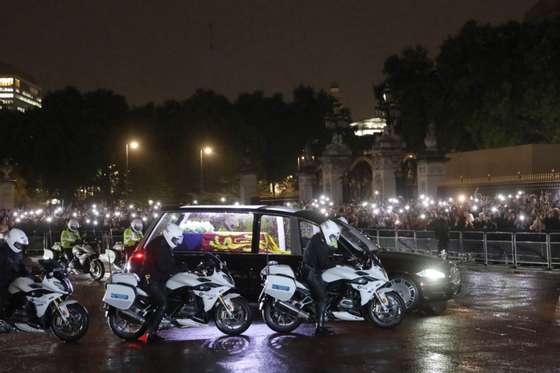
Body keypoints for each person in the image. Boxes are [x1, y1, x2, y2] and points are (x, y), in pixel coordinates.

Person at [141, 223, 184, 343]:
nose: (177, 242)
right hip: (150, 278)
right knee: (162, 303)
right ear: (170, 236)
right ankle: (151, 334)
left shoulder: (163, 243)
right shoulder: (160, 246)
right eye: (176, 239)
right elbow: (164, 266)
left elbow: (169, 262)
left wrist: (181, 266)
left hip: (158, 276)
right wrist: (180, 269)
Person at [302, 220, 339, 335]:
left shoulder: (318, 238)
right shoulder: (320, 243)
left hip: (310, 269)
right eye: (333, 235)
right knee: (322, 299)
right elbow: (324, 263)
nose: (334, 238)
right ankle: (320, 328)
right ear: (328, 232)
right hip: (311, 273)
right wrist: (339, 263)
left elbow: (332, 248)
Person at [0, 228, 30, 324]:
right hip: (2, 281)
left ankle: (15, 314)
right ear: (11, 241)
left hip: (10, 279)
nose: (20, 247)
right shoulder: (2, 252)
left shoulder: (17, 253)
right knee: (2, 297)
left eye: (22, 246)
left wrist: (28, 274)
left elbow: (20, 265)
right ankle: (1, 321)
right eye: (19, 245)